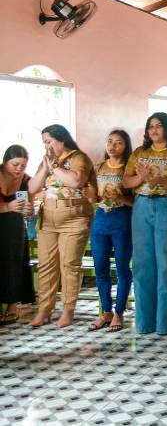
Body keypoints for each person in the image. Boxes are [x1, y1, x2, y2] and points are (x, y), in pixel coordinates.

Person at [123, 112, 167, 335]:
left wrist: (159, 179)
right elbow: (127, 181)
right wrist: (142, 179)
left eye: (159, 126)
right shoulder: (139, 153)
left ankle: (165, 323)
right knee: (142, 265)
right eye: (150, 126)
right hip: (142, 206)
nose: (154, 130)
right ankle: (144, 322)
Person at [27, 124, 95, 328]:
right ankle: (44, 310)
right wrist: (47, 166)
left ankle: (67, 310)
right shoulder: (47, 160)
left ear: (61, 140)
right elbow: (32, 187)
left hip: (74, 218)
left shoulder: (79, 158)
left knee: (69, 265)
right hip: (48, 217)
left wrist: (55, 166)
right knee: (46, 265)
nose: (47, 146)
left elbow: (76, 181)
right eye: (44, 143)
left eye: (49, 142)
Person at [88, 129, 134, 333]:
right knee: (100, 268)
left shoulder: (129, 169)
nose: (112, 146)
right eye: (109, 142)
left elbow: (136, 201)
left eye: (118, 143)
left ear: (126, 146)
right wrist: (91, 196)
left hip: (122, 219)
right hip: (100, 220)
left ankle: (119, 312)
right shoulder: (97, 167)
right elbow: (94, 197)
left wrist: (121, 199)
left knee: (122, 268)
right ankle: (105, 311)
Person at [0, 145, 35, 325]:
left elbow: (29, 203)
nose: (19, 169)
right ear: (5, 162)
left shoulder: (25, 180)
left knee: (14, 261)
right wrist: (7, 207)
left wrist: (28, 209)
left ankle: (13, 305)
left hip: (14, 227)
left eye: (23, 165)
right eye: (15, 164)